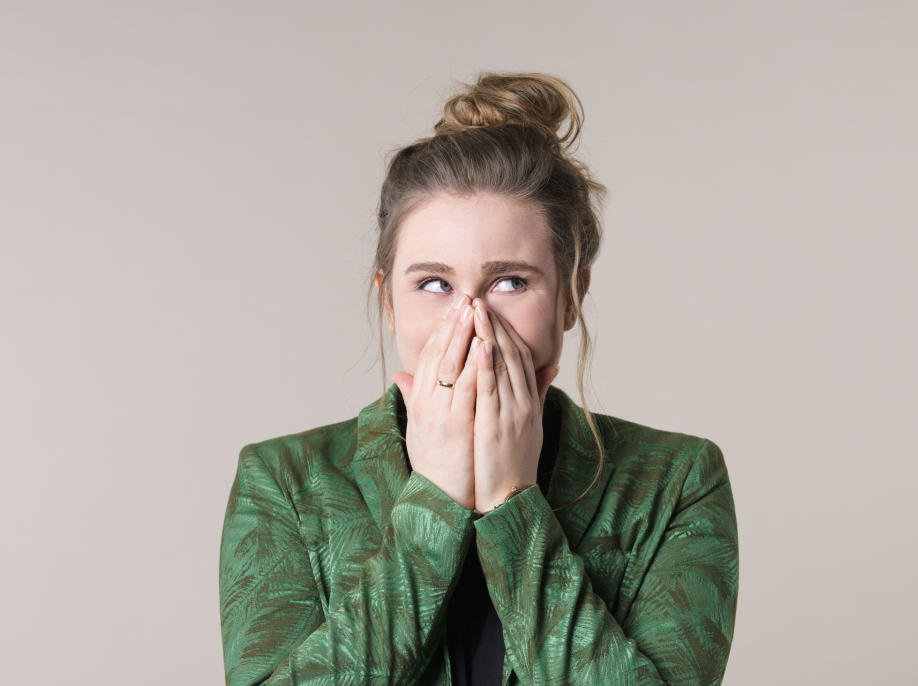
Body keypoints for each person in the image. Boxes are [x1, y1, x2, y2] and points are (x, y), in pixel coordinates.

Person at [219, 72, 739, 686]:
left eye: (510, 282)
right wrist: (434, 501)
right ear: (389, 302)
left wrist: (511, 504)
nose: (473, 321)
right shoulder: (283, 482)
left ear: (572, 296)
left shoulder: (675, 482)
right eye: (434, 284)